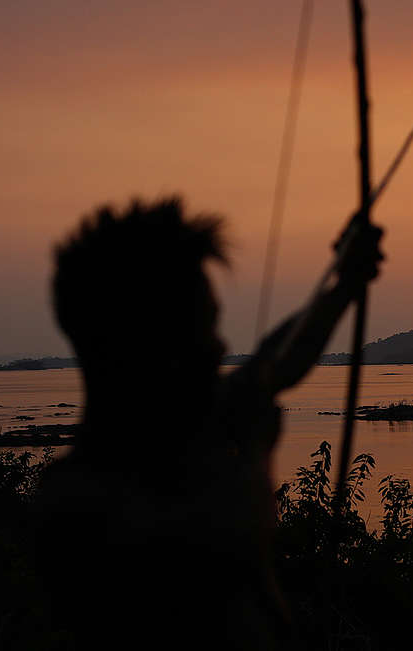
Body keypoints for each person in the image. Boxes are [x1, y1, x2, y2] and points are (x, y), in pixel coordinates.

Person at [35, 196, 383, 650]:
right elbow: (217, 539)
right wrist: (256, 456)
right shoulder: (79, 504)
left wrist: (341, 286)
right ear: (142, 345)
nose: (220, 347)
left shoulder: (177, 429)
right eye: (201, 329)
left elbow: (270, 365)